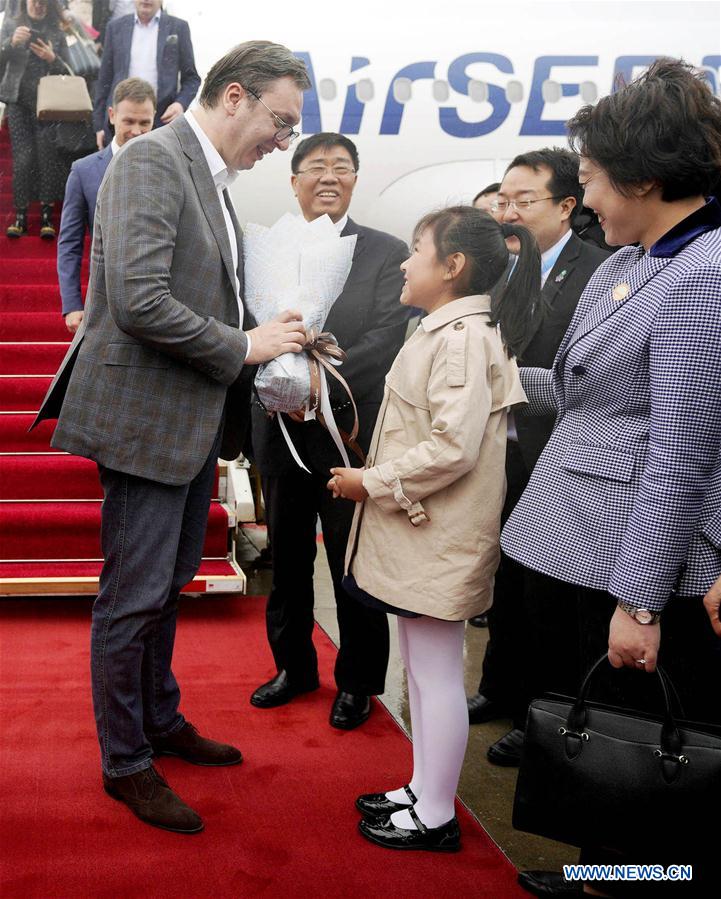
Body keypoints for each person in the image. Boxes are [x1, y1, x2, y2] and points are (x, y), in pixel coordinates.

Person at [33, 40, 312, 835]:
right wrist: (245, 346)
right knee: (134, 596)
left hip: (184, 418)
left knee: (168, 582)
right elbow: (139, 297)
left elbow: (194, 292)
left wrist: (262, 330)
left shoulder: (209, 177)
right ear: (233, 96)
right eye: (279, 122)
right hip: (145, 419)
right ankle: (125, 760)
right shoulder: (154, 161)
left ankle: (159, 719)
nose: (282, 142)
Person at [497, 59, 721, 897]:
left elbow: (679, 450)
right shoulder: (643, 257)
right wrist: (499, 376)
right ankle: (605, 874)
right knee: (622, 736)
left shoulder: (702, 277)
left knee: (651, 750)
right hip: (591, 532)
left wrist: (638, 602)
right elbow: (597, 394)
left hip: (644, 555)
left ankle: (630, 881)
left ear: (646, 175)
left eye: (588, 180)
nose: (583, 199)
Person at [328, 205, 539, 851]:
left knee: (439, 673)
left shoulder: (461, 338)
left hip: (437, 533)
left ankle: (437, 813)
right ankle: (422, 787)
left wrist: (372, 482)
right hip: (424, 532)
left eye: (415, 249)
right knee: (422, 669)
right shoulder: (441, 330)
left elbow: (452, 448)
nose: (402, 260)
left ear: (451, 267)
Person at [250, 133, 409, 730]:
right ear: (292, 181)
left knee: (352, 561)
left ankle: (359, 681)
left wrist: (318, 382)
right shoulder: (267, 249)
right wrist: (279, 379)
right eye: (314, 167)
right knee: (286, 558)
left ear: (355, 181)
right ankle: (293, 666)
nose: (328, 177)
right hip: (280, 429)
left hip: (351, 431)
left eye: (341, 168)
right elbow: (248, 324)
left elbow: (391, 333)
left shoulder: (385, 252)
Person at [467, 149, 609, 769]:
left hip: (560, 452)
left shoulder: (600, 272)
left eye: (524, 201)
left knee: (549, 595)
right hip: (500, 447)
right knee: (505, 577)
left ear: (566, 207)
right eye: (504, 200)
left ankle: (542, 713)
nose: (510, 211)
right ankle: (500, 687)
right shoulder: (501, 268)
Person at [57, 76, 156, 335]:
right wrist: (71, 304)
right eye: (129, 121)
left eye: (145, 122)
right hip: (103, 300)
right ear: (112, 115)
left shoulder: (169, 167)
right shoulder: (83, 171)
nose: (137, 131)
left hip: (158, 300)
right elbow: (70, 242)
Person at [0, 0, 70, 238]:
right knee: (22, 158)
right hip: (18, 102)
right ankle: (20, 216)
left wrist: (52, 58)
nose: (38, 5)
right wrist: (11, 43)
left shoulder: (57, 31)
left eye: (43, 2)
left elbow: (71, 72)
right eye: (34, 1)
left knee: (46, 157)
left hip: (48, 105)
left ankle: (46, 216)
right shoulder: (11, 25)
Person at [92, 0, 199, 149]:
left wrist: (180, 104)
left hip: (162, 124)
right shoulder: (116, 27)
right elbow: (104, 79)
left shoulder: (178, 27)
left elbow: (192, 78)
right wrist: (99, 125)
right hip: (121, 125)